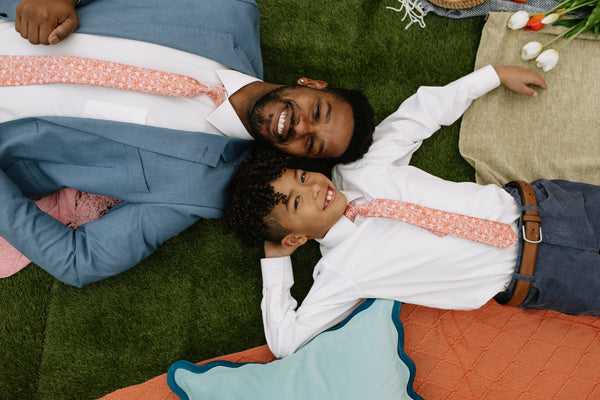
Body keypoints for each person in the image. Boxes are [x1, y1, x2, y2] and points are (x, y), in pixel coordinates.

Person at [225, 64, 600, 358]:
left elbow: (419, 115)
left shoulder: (360, 170)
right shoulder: (341, 272)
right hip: (545, 275)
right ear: (295, 237)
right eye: (296, 202)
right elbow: (286, 342)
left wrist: (492, 76)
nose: (313, 189)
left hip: (548, 206)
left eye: (304, 176)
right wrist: (276, 257)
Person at [0, 0, 375, 287]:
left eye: (312, 145)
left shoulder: (201, 188)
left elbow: (81, 261)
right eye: (319, 111)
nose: (302, 126)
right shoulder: (229, 10)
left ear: (296, 157)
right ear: (311, 84)